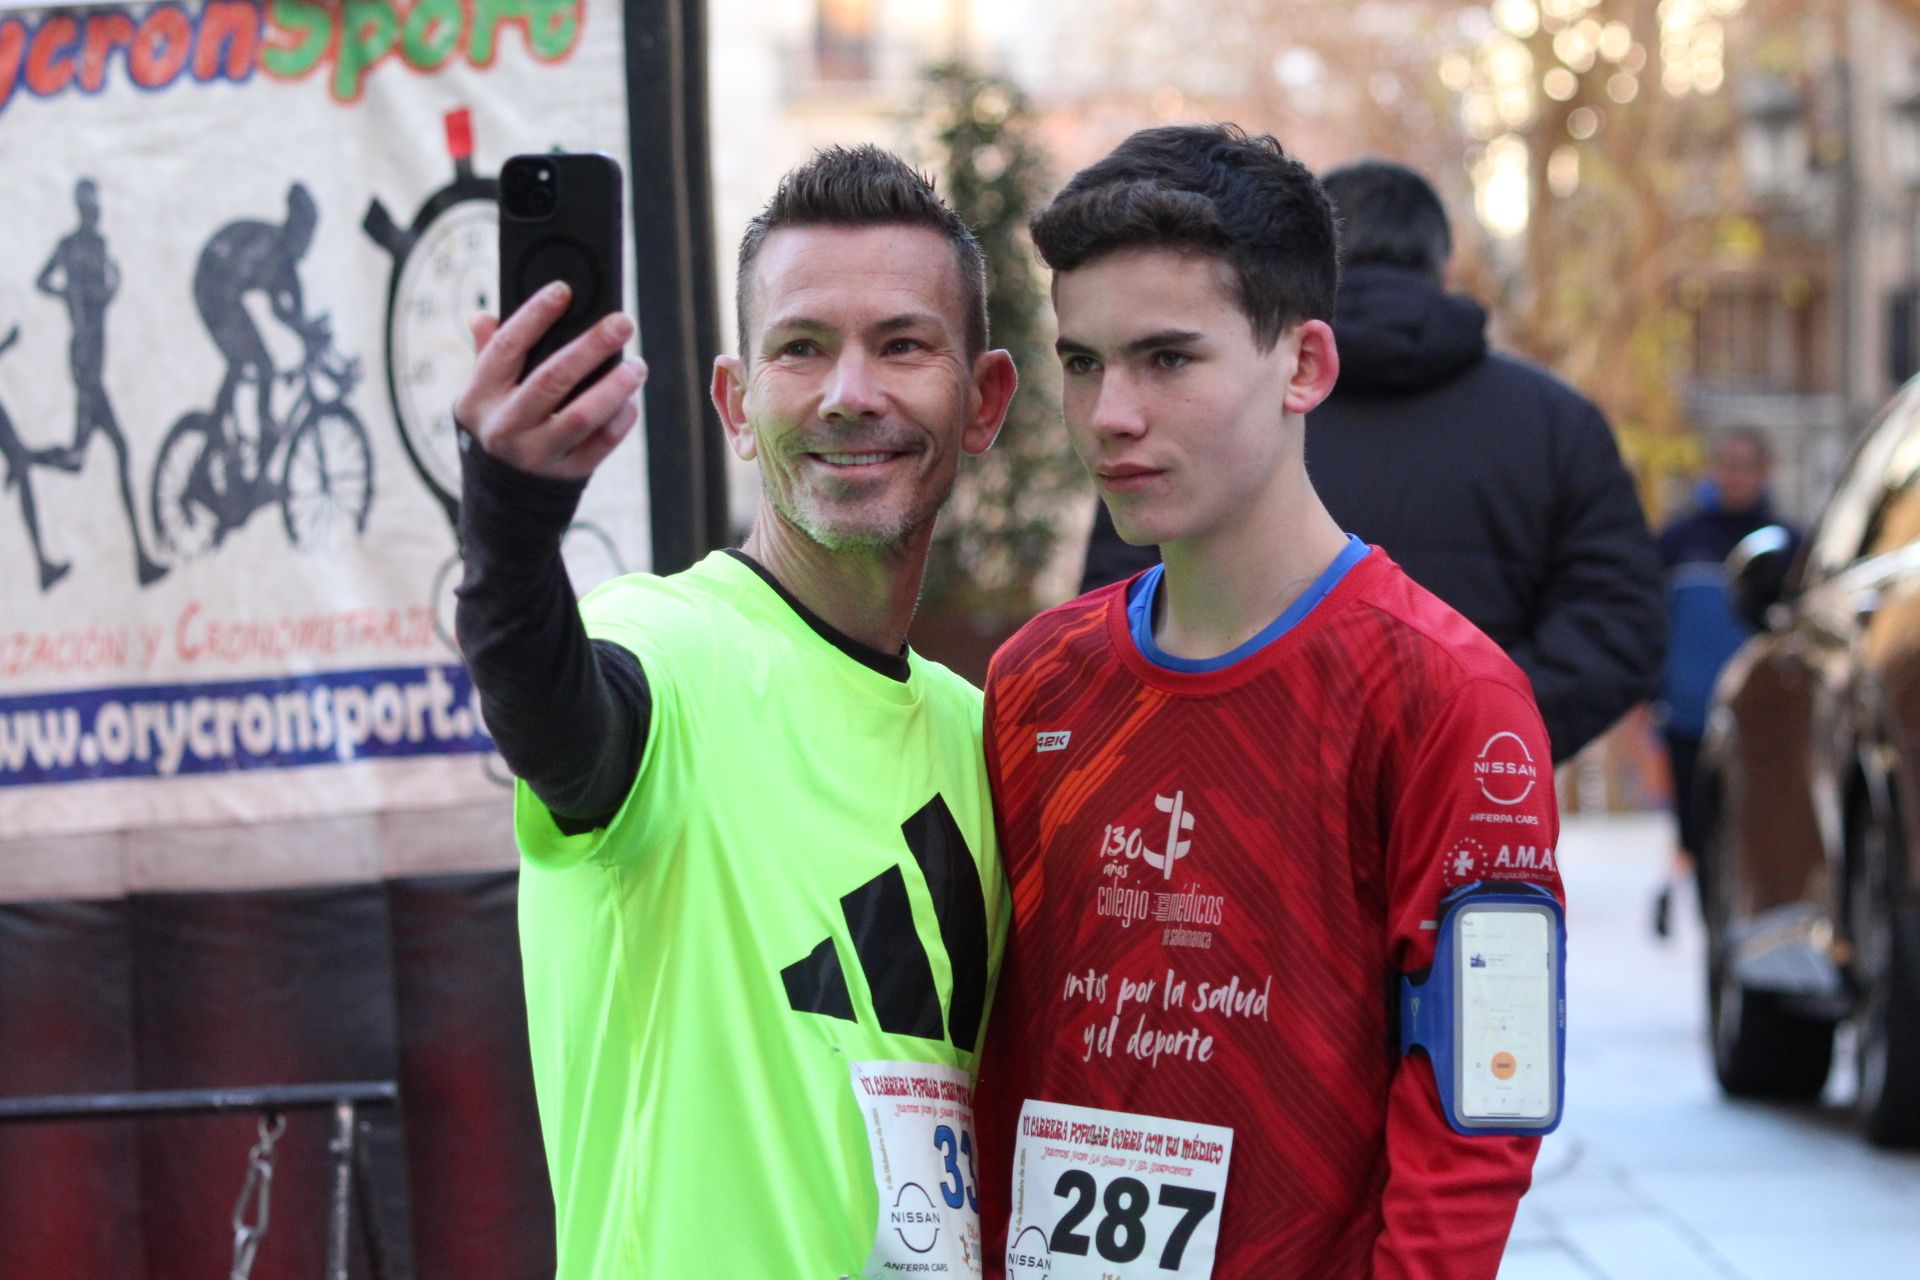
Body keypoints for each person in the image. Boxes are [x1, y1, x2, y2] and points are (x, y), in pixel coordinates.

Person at [975, 125, 1562, 1278]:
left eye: (1167, 359)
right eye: (1083, 361)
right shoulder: (1032, 679)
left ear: (1303, 366)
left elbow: (1490, 1096)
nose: (1109, 416)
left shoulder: (1450, 694)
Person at [451, 145, 1018, 1278]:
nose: (850, 393)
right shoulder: (667, 647)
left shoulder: (982, 733)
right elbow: (560, 720)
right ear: (737, 403)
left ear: (983, 401)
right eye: (802, 348)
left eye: (901, 344)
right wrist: (511, 525)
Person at [1079, 157, 1663, 764]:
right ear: (1446, 267)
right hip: (1472, 802)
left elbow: (1115, 598)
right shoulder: (1556, 420)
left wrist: (1249, 736)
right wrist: (1477, 733)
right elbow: (1617, 624)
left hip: (1233, 788)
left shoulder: (1222, 407)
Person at [1652, 428, 1798, 931]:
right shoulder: (1677, 542)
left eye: (1745, 464)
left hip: (1764, 723)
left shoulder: (1788, 545)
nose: (1734, 475)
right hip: (1690, 717)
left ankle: (1752, 929)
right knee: (1698, 836)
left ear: (1764, 472)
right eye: (1727, 463)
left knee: (1760, 836)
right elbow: (1649, 624)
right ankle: (1716, 933)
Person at [34, 178, 166, 586]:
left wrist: (87, 295)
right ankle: (142, 560)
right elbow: (53, 284)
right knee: (119, 450)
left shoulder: (93, 246)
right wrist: (75, 298)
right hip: (87, 361)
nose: (95, 211)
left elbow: (87, 294)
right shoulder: (78, 247)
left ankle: (25, 457)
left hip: (91, 357)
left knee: (78, 458)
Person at [191, 182, 321, 479]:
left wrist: (311, 334)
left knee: (250, 361)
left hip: (226, 291)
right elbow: (236, 278)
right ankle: (243, 429)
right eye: (305, 234)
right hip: (213, 285)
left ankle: (229, 427)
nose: (308, 243)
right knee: (255, 361)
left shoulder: (287, 269)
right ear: (294, 227)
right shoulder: (268, 243)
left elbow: (290, 315)